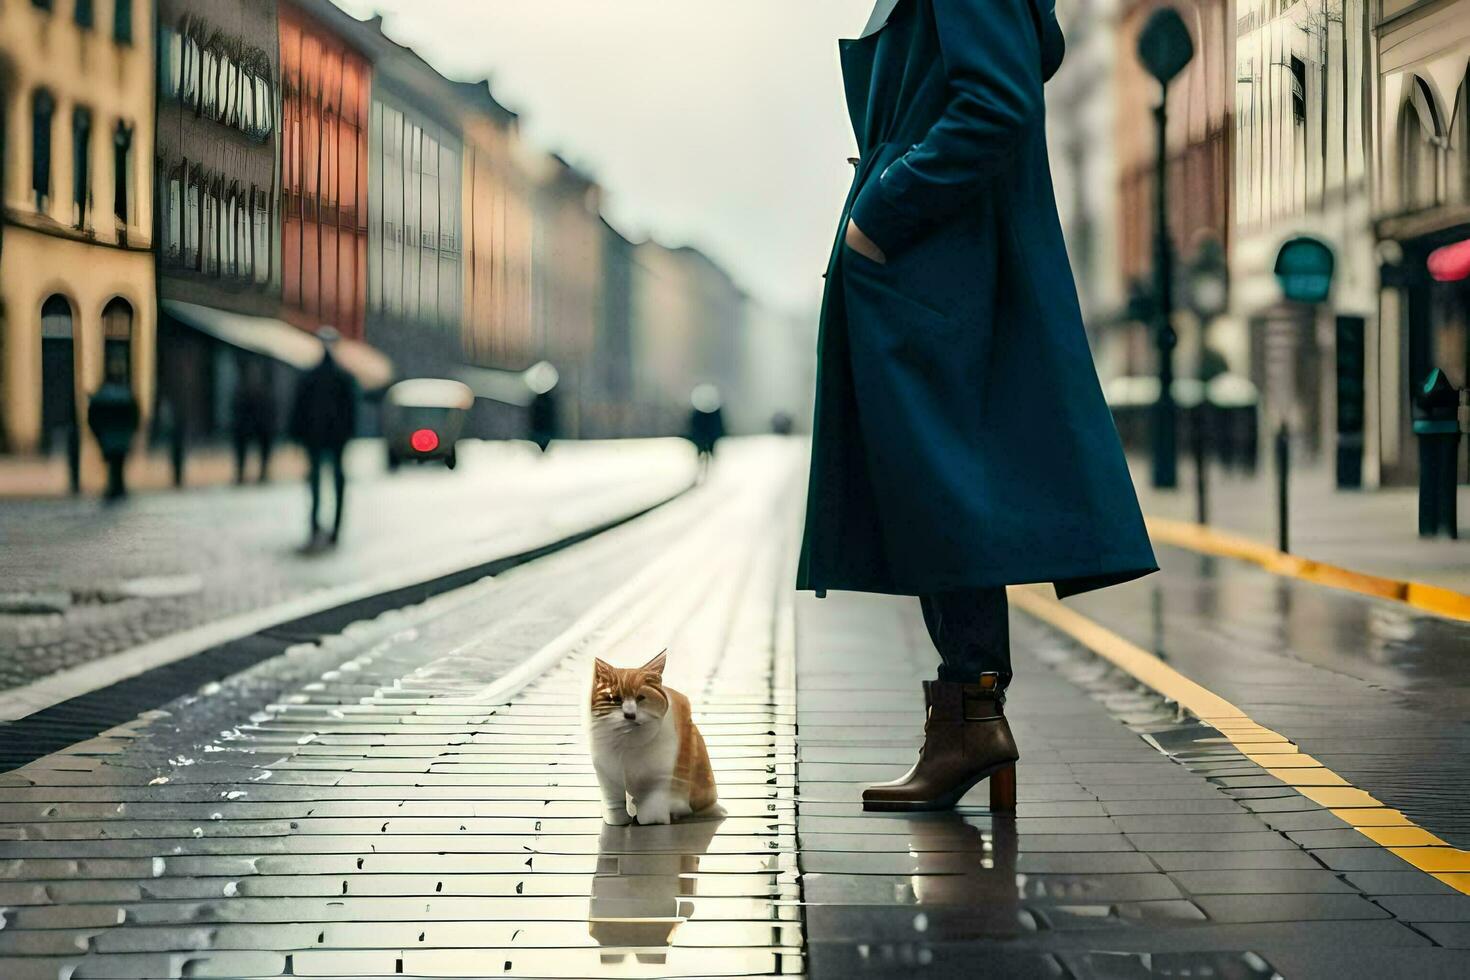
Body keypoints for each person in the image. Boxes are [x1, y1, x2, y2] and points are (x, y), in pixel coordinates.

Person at [797, 0, 1158, 812]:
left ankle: (972, 721)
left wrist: (881, 213)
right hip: (935, 269)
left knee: (944, 491)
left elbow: (995, 103)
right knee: (939, 498)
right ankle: (969, 721)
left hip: (936, 268)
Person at [289, 327, 358, 547]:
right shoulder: (341, 377)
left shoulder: (317, 376)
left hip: (321, 436)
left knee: (322, 481)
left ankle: (321, 526)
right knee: (325, 481)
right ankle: (325, 526)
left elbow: (300, 408)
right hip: (325, 436)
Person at [231, 357, 277, 484]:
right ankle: (241, 473)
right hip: (246, 424)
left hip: (260, 424)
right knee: (242, 447)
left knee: (264, 447)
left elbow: (270, 411)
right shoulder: (243, 391)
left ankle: (262, 472)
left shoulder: (264, 392)